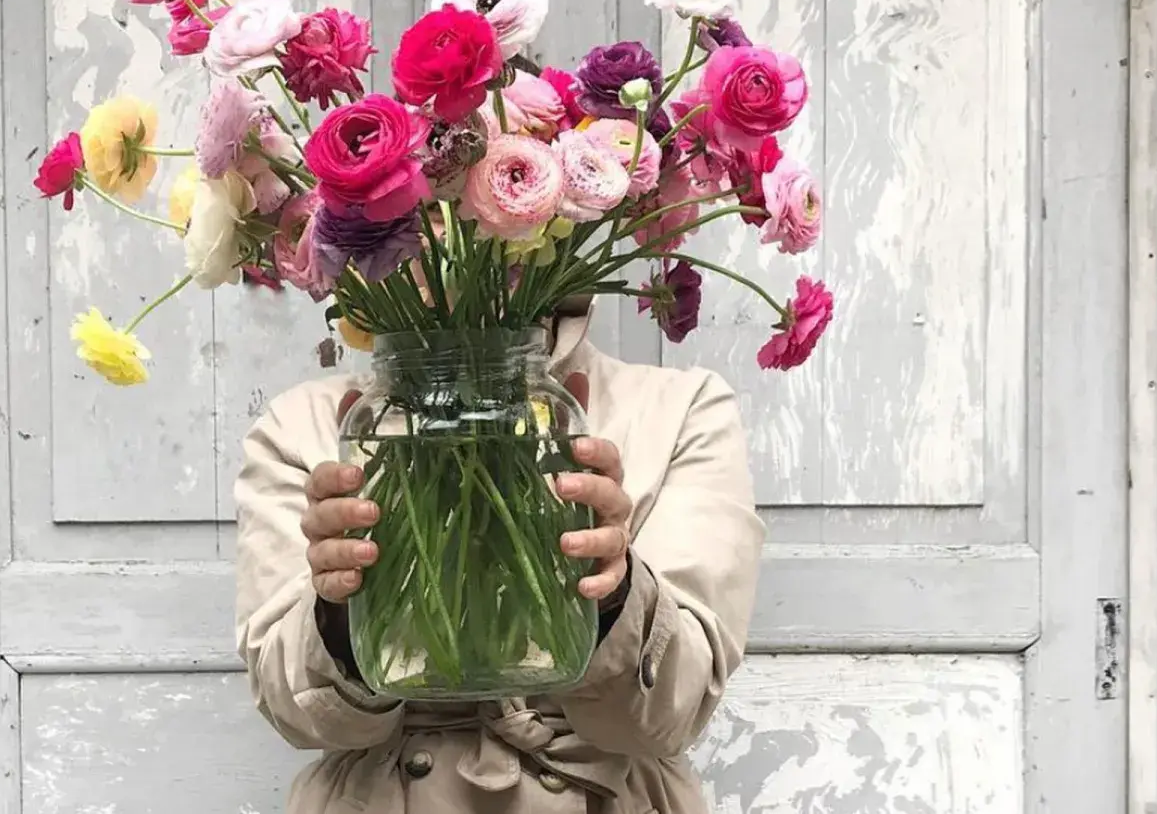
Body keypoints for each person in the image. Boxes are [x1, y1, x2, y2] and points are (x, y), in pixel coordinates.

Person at [235, 299, 766, 813]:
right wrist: (340, 602)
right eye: (420, 209)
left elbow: (678, 708)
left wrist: (611, 595)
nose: (446, 225)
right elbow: (293, 714)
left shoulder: (679, 407)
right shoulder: (304, 423)